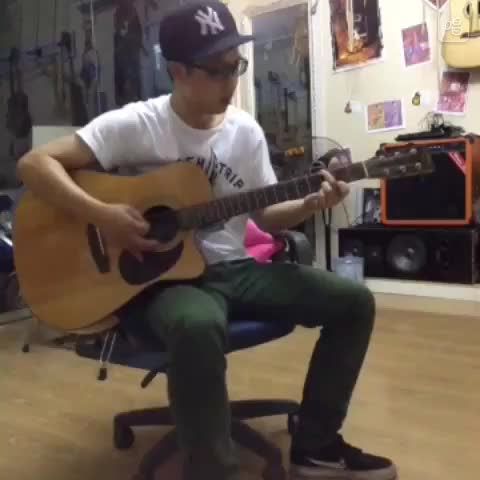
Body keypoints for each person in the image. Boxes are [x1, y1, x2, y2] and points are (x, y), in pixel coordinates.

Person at [16, 2, 397, 479]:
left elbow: (266, 217)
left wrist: (309, 204)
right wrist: (103, 215)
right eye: (217, 70)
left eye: (235, 66)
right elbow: (34, 164)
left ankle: (316, 446)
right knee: (197, 325)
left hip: (234, 270)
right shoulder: (137, 124)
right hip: (162, 281)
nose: (231, 81)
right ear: (177, 71)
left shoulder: (245, 132)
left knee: (354, 301)